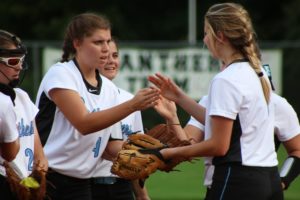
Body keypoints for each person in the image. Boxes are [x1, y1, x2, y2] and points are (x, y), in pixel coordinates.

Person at [149, 3, 283, 199]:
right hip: (269, 178)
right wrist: (179, 97)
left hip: (237, 180)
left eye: (206, 33)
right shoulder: (257, 72)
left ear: (220, 36)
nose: (204, 40)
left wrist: (167, 153)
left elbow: (218, 145)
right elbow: (228, 125)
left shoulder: (226, 79)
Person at [35, 13, 159, 200]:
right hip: (49, 178)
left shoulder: (109, 88)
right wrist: (133, 105)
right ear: (77, 43)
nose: (106, 49)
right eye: (98, 42)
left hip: (81, 182)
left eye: (108, 41)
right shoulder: (61, 74)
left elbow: (111, 147)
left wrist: (160, 153)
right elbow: (84, 124)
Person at [92, 38, 150, 200]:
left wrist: (141, 195)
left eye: (115, 55)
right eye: (104, 56)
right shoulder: (81, 97)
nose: (111, 61)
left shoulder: (130, 100)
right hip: (88, 184)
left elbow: (134, 159)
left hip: (121, 186)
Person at [0, 29, 47, 199]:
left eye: (21, 60)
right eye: (13, 61)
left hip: (24, 186)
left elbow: (39, 154)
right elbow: (10, 154)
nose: (19, 66)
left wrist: (35, 180)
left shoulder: (22, 96)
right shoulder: (2, 102)